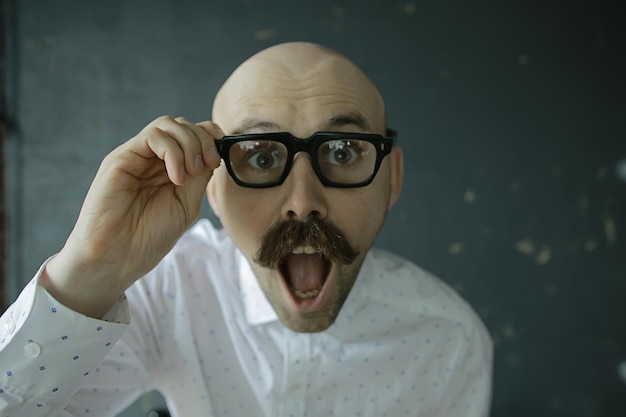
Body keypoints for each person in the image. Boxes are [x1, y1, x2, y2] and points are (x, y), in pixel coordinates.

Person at [0, 42, 492, 417]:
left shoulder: (448, 339)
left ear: (393, 179)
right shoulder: (168, 292)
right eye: (260, 156)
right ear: (213, 187)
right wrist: (90, 270)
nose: (303, 203)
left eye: (343, 152)